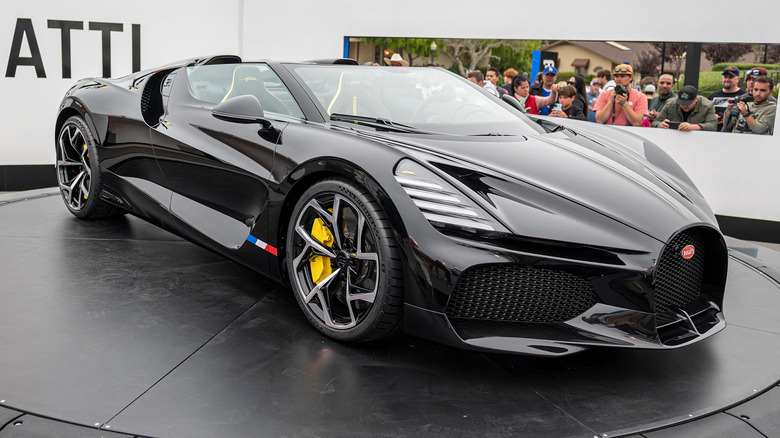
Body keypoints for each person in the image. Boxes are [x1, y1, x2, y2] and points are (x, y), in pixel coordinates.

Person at [652, 85, 717, 131]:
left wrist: (694, 127)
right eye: (682, 103)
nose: (684, 106)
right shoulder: (670, 104)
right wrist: (660, 125)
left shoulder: (707, 106)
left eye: (688, 103)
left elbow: (713, 125)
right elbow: (655, 122)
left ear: (696, 99)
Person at [707, 66, 747, 131]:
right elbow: (703, 113)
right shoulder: (712, 96)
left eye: (731, 77)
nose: (727, 80)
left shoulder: (744, 96)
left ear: (738, 79)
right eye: (725, 77)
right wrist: (712, 118)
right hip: (715, 133)